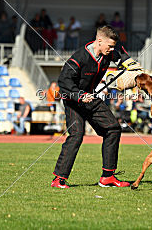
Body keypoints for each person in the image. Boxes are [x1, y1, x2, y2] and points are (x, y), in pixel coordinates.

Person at [52, 25, 139, 189]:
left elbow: (120, 53)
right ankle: (58, 179)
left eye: (113, 47)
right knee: (77, 135)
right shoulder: (79, 57)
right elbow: (64, 82)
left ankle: (108, 177)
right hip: (73, 99)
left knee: (113, 128)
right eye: (109, 46)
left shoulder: (109, 52)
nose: (112, 50)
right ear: (99, 41)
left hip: (91, 97)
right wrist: (80, 95)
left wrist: (131, 65)